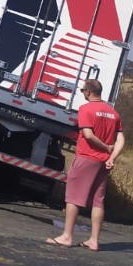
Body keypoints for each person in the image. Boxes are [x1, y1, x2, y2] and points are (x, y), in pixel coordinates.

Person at [46, 78, 125, 251]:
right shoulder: (113, 113)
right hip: (103, 162)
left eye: (82, 91)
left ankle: (67, 236)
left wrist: (104, 147)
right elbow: (121, 139)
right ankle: (94, 240)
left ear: (88, 92)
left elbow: (88, 135)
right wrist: (111, 156)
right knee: (98, 201)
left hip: (86, 157)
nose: (83, 93)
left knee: (74, 197)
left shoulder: (85, 109)